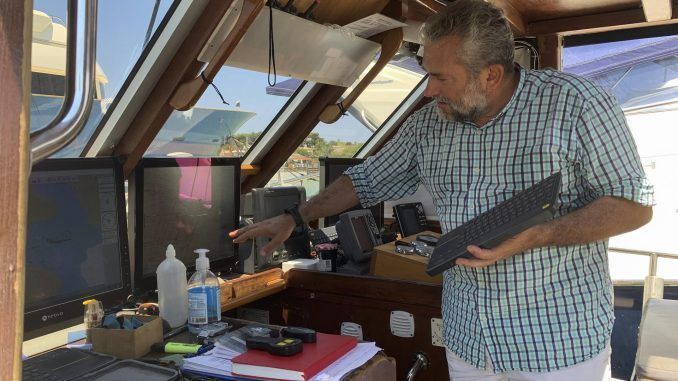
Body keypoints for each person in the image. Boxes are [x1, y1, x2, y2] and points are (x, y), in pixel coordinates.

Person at [230, 0, 654, 379]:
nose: (429, 90)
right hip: (469, 339)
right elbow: (365, 179)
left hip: (555, 341)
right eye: (425, 74)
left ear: (490, 75)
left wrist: (539, 235)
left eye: (439, 77)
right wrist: (293, 218)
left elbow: (632, 206)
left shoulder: (576, 104)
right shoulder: (428, 124)